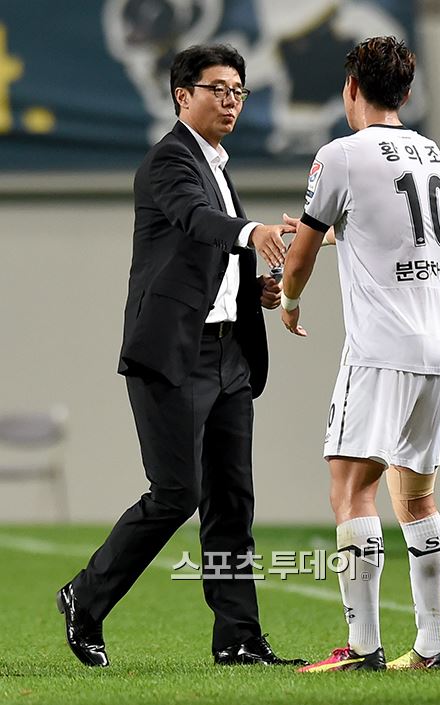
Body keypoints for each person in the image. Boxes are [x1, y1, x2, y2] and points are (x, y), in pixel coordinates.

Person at [56, 43, 305, 668]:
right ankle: (86, 596)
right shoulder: (169, 160)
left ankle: (238, 638)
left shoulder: (217, 164)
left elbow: (205, 263)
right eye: (218, 89)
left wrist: (254, 288)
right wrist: (254, 232)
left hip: (229, 357)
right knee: (176, 493)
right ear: (181, 96)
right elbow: (196, 222)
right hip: (174, 356)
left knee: (232, 501)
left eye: (239, 91)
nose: (231, 101)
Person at [280, 36, 440, 672]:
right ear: (405, 92)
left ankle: (362, 649)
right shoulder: (432, 154)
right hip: (437, 344)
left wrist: (289, 301)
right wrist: (337, 237)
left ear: (350, 87)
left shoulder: (340, 156)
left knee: (350, 489)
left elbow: (297, 259)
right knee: (416, 496)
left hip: (381, 349)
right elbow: (393, 233)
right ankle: (432, 647)